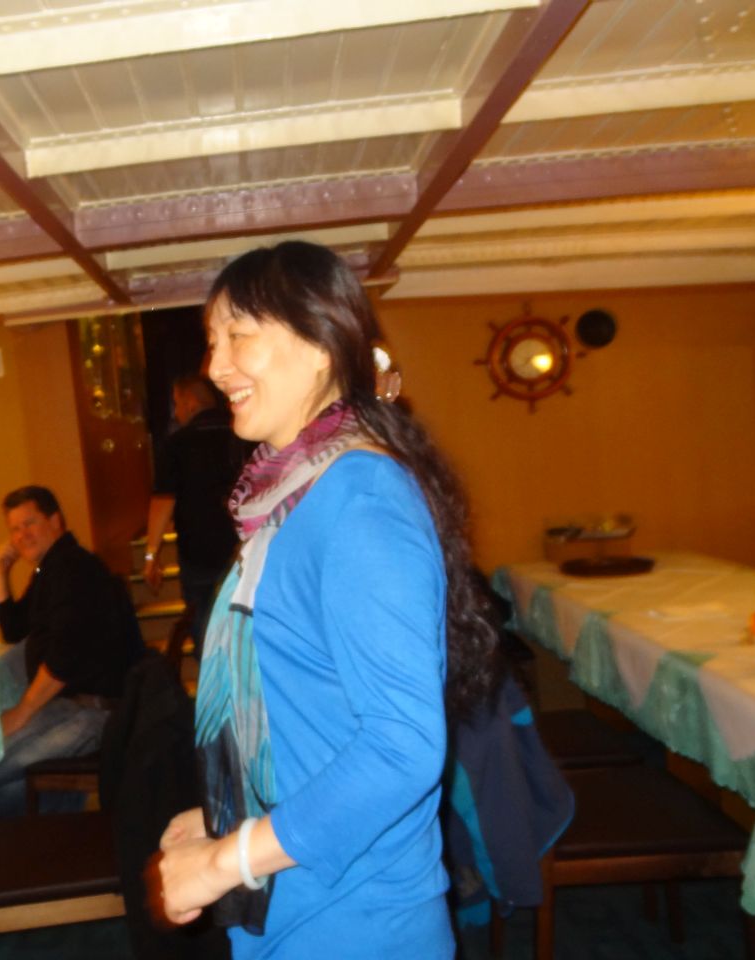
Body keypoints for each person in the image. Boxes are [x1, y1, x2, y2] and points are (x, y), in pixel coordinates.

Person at [156, 242, 499, 957]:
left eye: (239, 335)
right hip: (299, 896)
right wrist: (228, 817)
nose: (215, 366)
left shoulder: (360, 502)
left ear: (319, 344)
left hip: (355, 921)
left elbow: (401, 749)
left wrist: (227, 860)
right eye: (212, 341)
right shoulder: (294, 495)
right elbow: (307, 705)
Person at [0, 485, 143, 817]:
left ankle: (46, 822)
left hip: (93, 712)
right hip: (70, 704)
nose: (22, 535)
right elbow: (14, 629)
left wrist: (21, 713)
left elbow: (64, 659)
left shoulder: (72, 569)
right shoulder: (52, 567)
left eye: (29, 523)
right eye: (14, 529)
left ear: (55, 521)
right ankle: (57, 813)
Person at [143, 374, 251, 657]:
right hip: (243, 550)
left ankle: (213, 677)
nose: (176, 412)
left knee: (204, 625)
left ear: (191, 402)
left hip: (199, 553)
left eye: (177, 403)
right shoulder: (242, 435)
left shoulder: (178, 444)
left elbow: (163, 500)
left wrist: (151, 554)